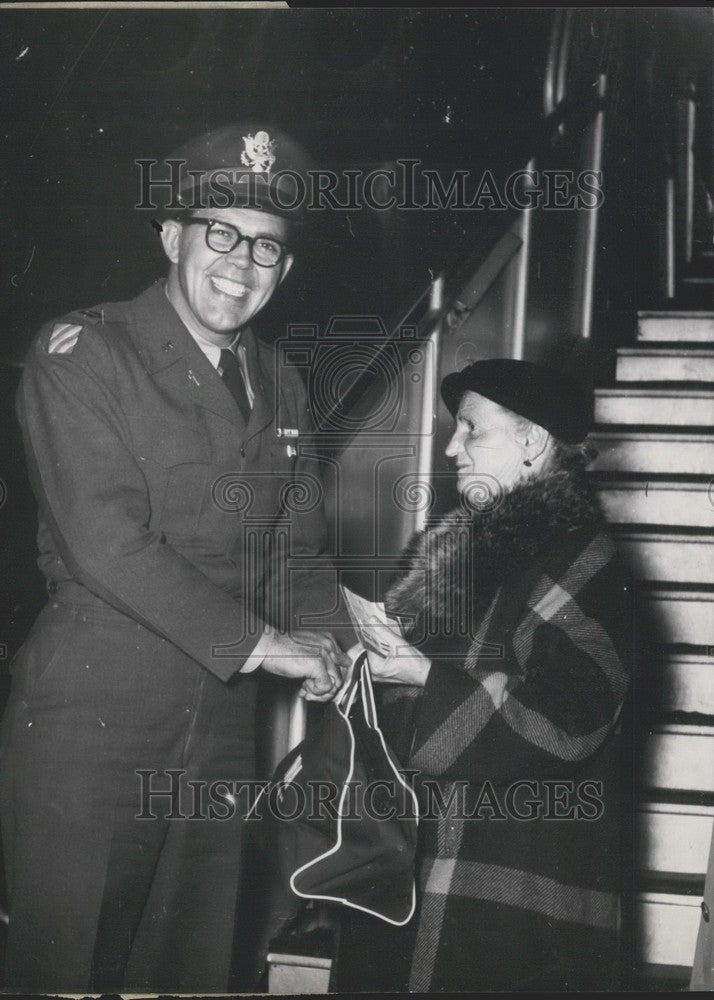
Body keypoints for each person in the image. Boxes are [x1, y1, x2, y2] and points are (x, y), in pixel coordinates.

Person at [0, 123, 352, 992]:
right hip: (96, 707)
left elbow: (295, 552)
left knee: (188, 968)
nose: (241, 263)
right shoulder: (83, 353)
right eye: (220, 233)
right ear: (172, 237)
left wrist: (333, 645)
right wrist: (273, 648)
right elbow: (107, 544)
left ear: (287, 270)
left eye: (266, 248)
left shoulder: (282, 383)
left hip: (223, 723)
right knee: (68, 967)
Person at [337, 359, 635, 992]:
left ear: (532, 442)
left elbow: (567, 723)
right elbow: (426, 692)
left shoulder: (585, 559)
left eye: (470, 428)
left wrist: (421, 674)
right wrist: (357, 674)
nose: (450, 448)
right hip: (418, 857)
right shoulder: (458, 551)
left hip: (508, 865)